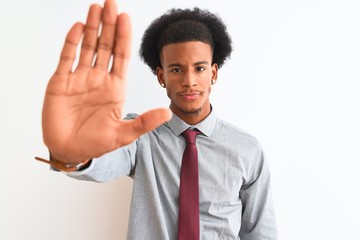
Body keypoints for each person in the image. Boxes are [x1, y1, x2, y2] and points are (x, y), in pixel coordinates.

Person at [36, 0, 278, 239]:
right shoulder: (139, 135)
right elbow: (105, 161)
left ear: (213, 73)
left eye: (200, 68)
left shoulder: (248, 149)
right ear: (161, 76)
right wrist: (73, 155)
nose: (189, 80)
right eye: (176, 69)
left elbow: (261, 233)